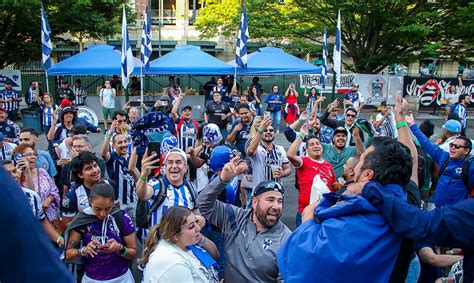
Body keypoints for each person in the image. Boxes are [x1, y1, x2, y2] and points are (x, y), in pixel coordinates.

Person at [199, 157, 291, 282]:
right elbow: (204, 204)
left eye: (280, 201)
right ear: (254, 202)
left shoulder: (286, 238)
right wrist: (222, 180)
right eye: (270, 200)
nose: (276, 206)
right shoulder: (235, 217)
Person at [0, 164, 74, 282]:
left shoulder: (32, 196)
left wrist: (59, 239)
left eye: (14, 171)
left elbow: (42, 222)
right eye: (7, 174)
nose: (13, 175)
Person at [64, 182, 136, 282]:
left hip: (121, 279)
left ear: (113, 204)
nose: (102, 214)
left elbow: (133, 253)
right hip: (91, 279)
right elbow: (68, 254)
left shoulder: (122, 218)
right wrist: (84, 250)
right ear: (90, 202)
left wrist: (120, 248)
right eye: (97, 209)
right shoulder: (82, 220)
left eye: (108, 209)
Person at [408, 114, 473, 207]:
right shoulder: (444, 157)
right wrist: (412, 125)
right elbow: (426, 143)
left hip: (456, 215)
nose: (452, 148)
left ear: (466, 151)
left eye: (457, 147)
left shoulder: (470, 166)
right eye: (451, 145)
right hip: (438, 211)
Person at [142, 206, 219, 282]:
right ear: (175, 235)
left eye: (196, 222)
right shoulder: (173, 264)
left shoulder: (184, 246)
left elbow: (215, 254)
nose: (199, 228)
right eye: (191, 226)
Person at [134, 148, 198, 240]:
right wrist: (144, 175)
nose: (174, 166)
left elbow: (194, 210)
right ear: (165, 167)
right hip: (157, 245)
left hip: (181, 244)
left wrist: (198, 218)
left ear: (185, 168)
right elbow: (142, 194)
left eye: (178, 162)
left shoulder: (191, 188)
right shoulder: (156, 185)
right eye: (170, 162)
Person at [287, 126, 338, 227]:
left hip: (323, 212)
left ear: (322, 147)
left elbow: (333, 186)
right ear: (307, 150)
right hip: (305, 213)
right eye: (312, 144)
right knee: (304, 241)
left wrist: (343, 185)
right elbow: (290, 155)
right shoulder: (304, 161)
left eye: (317, 143)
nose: (315, 146)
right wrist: (301, 135)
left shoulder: (329, 166)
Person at [62, 152, 116, 226]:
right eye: (88, 168)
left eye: (95, 165)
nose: (95, 170)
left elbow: (116, 209)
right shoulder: (72, 195)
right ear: (80, 174)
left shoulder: (110, 184)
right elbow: (66, 223)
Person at [13, 144, 61, 225]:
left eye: (34, 154)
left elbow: (54, 190)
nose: (33, 157)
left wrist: (49, 200)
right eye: (29, 154)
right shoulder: (15, 177)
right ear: (18, 158)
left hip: (51, 218)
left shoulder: (42, 171)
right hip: (32, 221)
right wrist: (26, 171)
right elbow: (30, 196)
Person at [101, 121, 138, 221]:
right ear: (113, 145)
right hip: (118, 202)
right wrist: (109, 134)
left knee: (132, 228)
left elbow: (138, 179)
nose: (123, 145)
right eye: (120, 143)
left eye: (125, 141)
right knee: (118, 228)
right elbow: (103, 153)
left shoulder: (132, 157)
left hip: (133, 201)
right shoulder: (112, 157)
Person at [246, 115, 291, 191]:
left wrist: (283, 173)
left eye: (271, 130)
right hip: (260, 191)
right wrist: (260, 130)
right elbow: (250, 151)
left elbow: (288, 168)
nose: (268, 132)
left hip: (277, 191)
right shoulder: (257, 148)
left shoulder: (280, 149)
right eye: (265, 130)